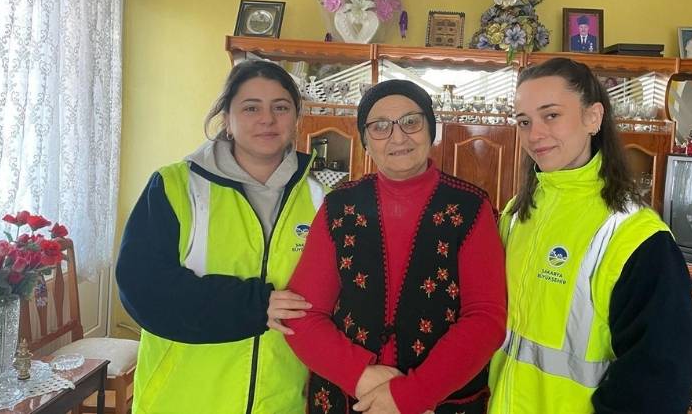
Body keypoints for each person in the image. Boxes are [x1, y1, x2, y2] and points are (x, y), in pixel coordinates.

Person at [487, 58, 692, 414]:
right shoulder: (515, 214)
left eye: (551, 115)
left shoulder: (636, 235)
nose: (534, 134)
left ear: (593, 117)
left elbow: (660, 378)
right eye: (524, 121)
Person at [284, 79, 507, 414]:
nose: (398, 137)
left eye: (411, 122)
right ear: (364, 142)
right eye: (380, 127)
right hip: (348, 399)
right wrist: (360, 376)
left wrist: (410, 395)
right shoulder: (339, 206)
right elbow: (302, 315)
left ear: (431, 130)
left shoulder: (470, 207)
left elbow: (486, 319)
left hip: (439, 403)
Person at [116, 60, 326, 414]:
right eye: (251, 108)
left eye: (280, 107)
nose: (267, 119)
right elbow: (143, 290)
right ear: (227, 118)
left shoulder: (320, 200)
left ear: (296, 118)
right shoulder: (175, 186)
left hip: (278, 403)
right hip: (182, 402)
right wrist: (254, 305)